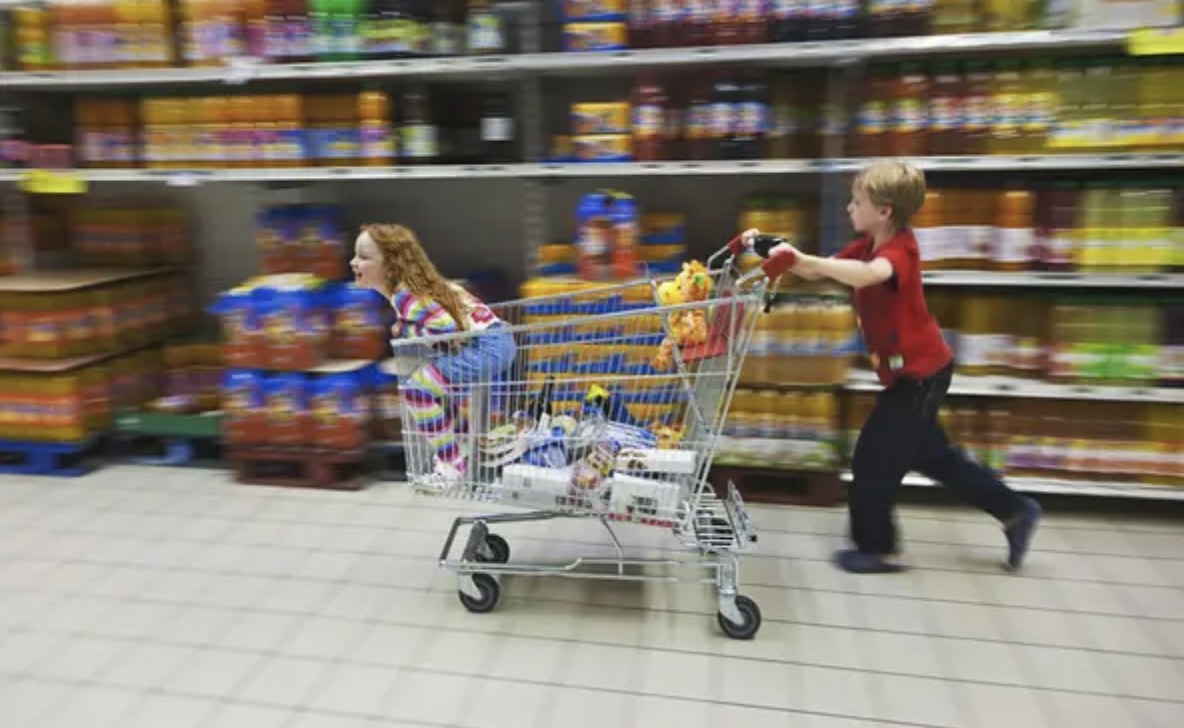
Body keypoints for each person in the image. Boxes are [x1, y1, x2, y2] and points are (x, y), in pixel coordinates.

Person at [746, 160, 1041, 574]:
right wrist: (774, 248)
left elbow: (868, 276)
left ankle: (880, 548)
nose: (850, 207)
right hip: (915, 372)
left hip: (919, 377)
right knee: (936, 457)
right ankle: (1015, 511)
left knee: (872, 459)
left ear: (884, 211)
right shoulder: (866, 245)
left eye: (857, 201)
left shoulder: (899, 249)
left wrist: (806, 259)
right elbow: (816, 268)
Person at [350, 223, 516, 487]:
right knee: (433, 386)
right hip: (496, 339)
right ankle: (462, 447)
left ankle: (453, 466)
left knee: (418, 391)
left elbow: (447, 326)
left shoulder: (406, 296)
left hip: (487, 347)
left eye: (364, 257)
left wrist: (406, 329)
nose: (353, 262)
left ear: (391, 265)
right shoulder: (415, 288)